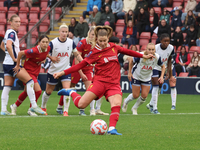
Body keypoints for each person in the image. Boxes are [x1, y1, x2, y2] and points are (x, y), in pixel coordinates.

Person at [53, 26, 154, 135]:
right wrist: (62, 73)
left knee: (116, 104)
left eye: (104, 40)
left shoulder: (114, 47)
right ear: (96, 39)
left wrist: (144, 56)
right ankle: (71, 92)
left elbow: (128, 52)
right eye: (100, 41)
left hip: (113, 84)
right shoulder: (94, 52)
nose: (102, 43)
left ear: (108, 38)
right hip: (99, 83)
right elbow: (80, 65)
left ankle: (111, 128)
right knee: (81, 105)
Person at [0, 15, 46, 115]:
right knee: (30, 81)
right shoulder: (12, 33)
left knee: (7, 86)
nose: (18, 23)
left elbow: (2, 46)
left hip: (6, 63)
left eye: (19, 21)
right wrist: (14, 58)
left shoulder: (8, 32)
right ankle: (34, 106)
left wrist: (9, 54)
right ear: (10, 22)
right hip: (12, 64)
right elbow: (7, 45)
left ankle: (3, 110)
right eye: (16, 21)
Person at [40, 23, 83, 116]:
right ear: (59, 32)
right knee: (48, 92)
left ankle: (65, 111)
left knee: (67, 90)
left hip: (65, 70)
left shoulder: (71, 42)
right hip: (53, 70)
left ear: (68, 33)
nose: (64, 33)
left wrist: (83, 61)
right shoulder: (53, 43)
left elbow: (76, 54)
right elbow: (44, 52)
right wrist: (51, 58)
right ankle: (43, 107)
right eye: (62, 31)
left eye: (66, 32)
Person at [10, 35, 57, 116]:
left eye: (46, 42)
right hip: (28, 72)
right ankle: (31, 109)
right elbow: (20, 53)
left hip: (36, 72)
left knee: (25, 92)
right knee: (38, 91)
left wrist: (49, 57)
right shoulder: (34, 50)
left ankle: (14, 106)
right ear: (39, 43)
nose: (45, 44)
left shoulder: (48, 48)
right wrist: (18, 65)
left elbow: (45, 54)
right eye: (43, 42)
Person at [70, 26, 109, 116]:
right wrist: (81, 73)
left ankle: (91, 110)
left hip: (88, 69)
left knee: (90, 89)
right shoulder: (82, 43)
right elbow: (77, 60)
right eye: (92, 34)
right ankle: (60, 106)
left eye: (95, 35)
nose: (93, 37)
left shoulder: (98, 44)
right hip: (77, 67)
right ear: (88, 34)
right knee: (70, 87)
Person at [122, 43, 165, 115]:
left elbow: (163, 66)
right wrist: (129, 72)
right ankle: (126, 101)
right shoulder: (140, 55)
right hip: (136, 76)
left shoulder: (157, 57)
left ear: (155, 50)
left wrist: (161, 77)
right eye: (149, 49)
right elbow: (131, 61)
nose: (151, 51)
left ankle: (134, 108)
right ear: (146, 50)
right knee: (135, 95)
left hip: (147, 77)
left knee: (144, 96)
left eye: (153, 50)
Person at [147, 33, 177, 114]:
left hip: (164, 68)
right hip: (155, 67)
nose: (166, 43)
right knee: (156, 86)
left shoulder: (171, 48)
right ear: (161, 41)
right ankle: (154, 108)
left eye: (168, 41)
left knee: (159, 87)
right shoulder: (155, 48)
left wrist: (168, 72)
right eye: (164, 41)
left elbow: (169, 60)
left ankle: (151, 104)